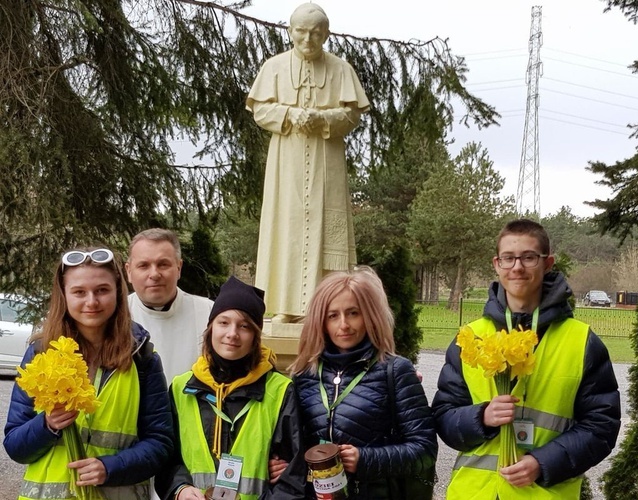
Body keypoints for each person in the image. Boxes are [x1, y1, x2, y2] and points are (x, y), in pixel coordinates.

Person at [432, 219, 621, 499]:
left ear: (548, 263)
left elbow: (601, 427)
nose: (517, 267)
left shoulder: (582, 342)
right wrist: (480, 417)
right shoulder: (471, 338)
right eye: (508, 258)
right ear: (496, 264)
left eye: (529, 257)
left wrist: (542, 463)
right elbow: (443, 415)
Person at [3, 247, 174, 499]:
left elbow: (160, 444)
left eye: (102, 290)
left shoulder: (142, 358)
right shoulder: (40, 354)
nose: (91, 301)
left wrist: (109, 468)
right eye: (79, 292)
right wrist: (47, 425)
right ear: (64, 295)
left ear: (118, 292)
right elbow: (15, 447)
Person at [246, 3, 370, 324]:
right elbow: (260, 110)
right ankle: (284, 305)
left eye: (316, 33)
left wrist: (322, 119)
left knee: (325, 229)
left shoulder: (341, 69)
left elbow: (352, 114)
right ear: (290, 31)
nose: (308, 40)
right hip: (285, 161)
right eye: (301, 31)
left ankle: (323, 307)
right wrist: (288, 114)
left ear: (326, 34)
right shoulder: (273, 67)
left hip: (327, 162)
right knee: (285, 227)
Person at [289, 267, 437, 499]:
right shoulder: (304, 375)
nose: (344, 324)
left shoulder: (396, 370)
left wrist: (365, 459)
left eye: (353, 313)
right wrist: (282, 464)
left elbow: (424, 450)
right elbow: (293, 444)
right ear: (321, 321)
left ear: (369, 315)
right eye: (333, 315)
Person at [155, 276, 307, 500]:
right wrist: (180, 488)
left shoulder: (280, 391)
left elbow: (292, 477)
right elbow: (166, 457)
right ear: (210, 328)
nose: (232, 333)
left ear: (255, 336)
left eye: (244, 326)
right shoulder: (181, 388)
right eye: (223, 322)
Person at [126, 228, 214, 382]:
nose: (154, 274)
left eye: (163, 264)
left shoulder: (209, 313)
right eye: (143, 266)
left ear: (179, 268)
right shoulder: (116, 315)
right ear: (128, 271)